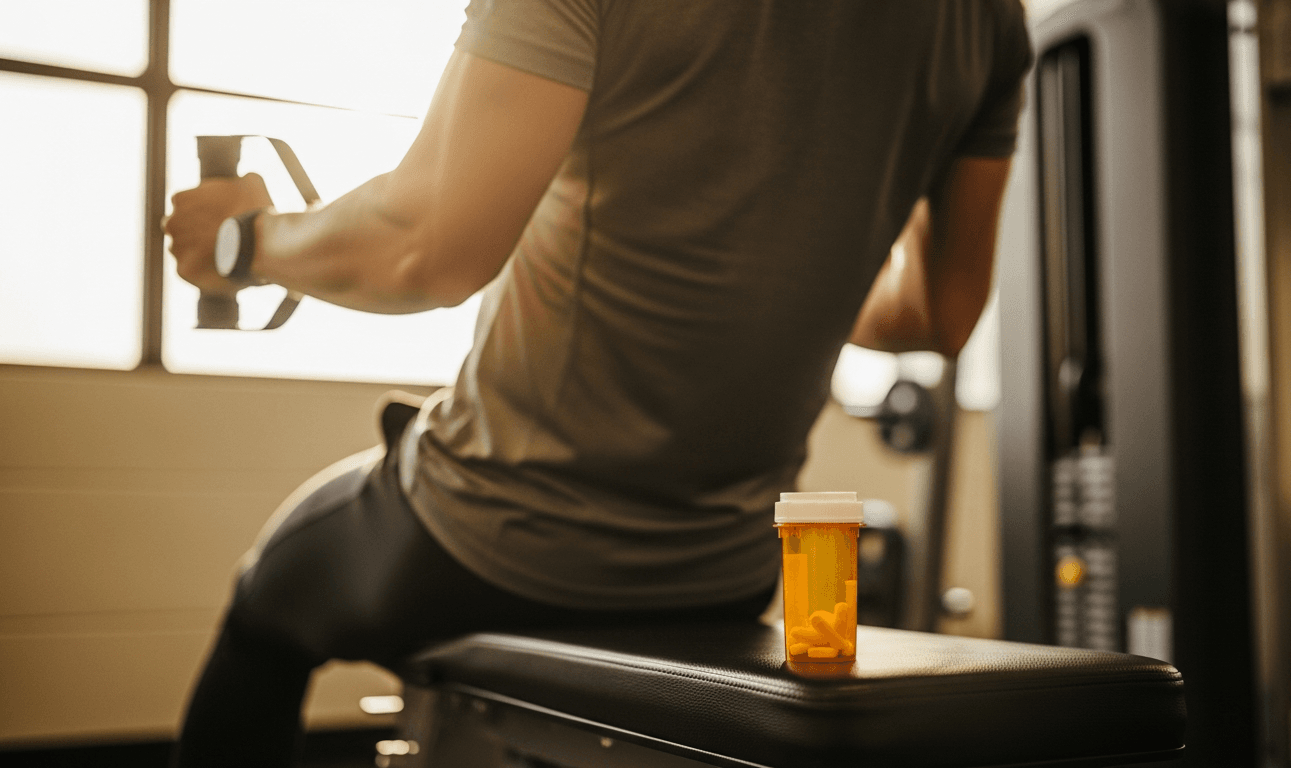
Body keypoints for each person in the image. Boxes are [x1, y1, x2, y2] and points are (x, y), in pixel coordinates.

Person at [162, 0, 1032, 765]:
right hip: (721, 570)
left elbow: (427, 249)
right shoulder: (988, 18)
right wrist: (780, 249)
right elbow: (935, 311)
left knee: (265, 608)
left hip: (485, 539)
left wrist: (248, 241)